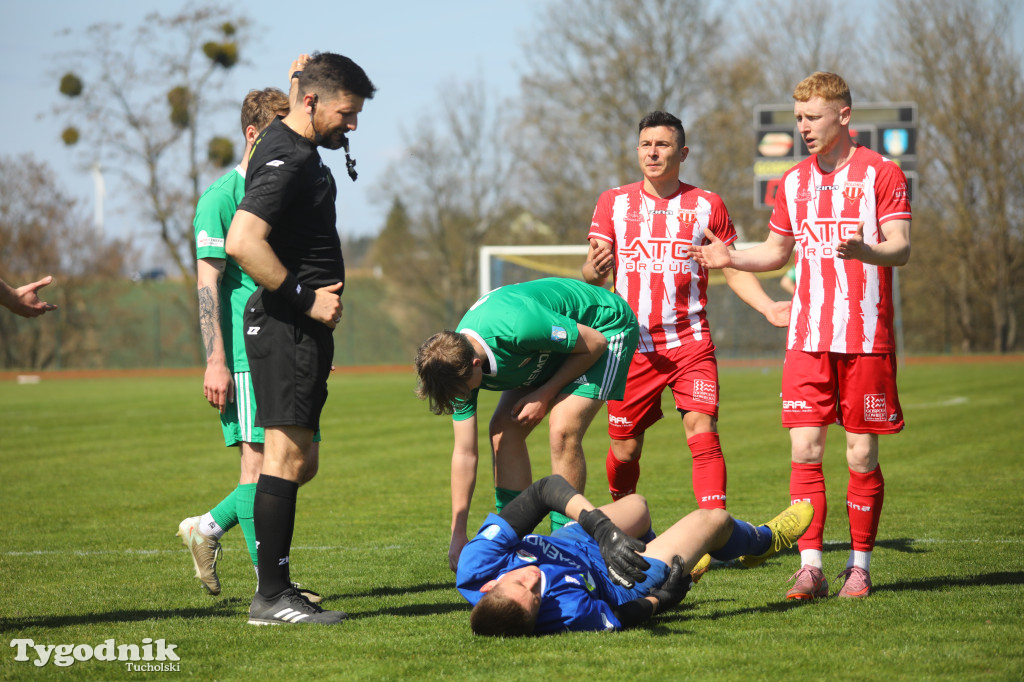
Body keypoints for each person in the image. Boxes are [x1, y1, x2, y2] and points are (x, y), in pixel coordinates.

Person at [689, 72, 911, 600]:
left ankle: (859, 566)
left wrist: (868, 252)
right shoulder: (792, 182)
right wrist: (730, 258)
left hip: (864, 336)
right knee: (805, 448)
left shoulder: (883, 173)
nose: (804, 127)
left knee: (861, 456)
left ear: (844, 115)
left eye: (813, 117)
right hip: (807, 335)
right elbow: (775, 252)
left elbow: (901, 246)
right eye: (798, 119)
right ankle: (811, 566)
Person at [225, 51, 376, 626]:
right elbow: (243, 240)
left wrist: (299, 75)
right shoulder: (287, 156)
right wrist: (305, 298)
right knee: (285, 457)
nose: (354, 125)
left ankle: (277, 586)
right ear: (312, 103)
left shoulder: (290, 139)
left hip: (300, 331)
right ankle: (271, 598)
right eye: (348, 112)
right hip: (289, 326)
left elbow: (301, 106)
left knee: (298, 459)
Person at [583, 111, 790, 511]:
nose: (653, 152)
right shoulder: (613, 202)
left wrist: (767, 307)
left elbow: (729, 265)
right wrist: (594, 270)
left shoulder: (708, 205)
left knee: (702, 429)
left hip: (690, 343)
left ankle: (713, 527)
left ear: (683, 152)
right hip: (631, 347)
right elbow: (590, 272)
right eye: (646, 144)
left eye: (662, 145)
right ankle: (626, 520)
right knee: (624, 448)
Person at [176, 57, 320, 603]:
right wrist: (215, 360)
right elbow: (207, 285)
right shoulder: (219, 199)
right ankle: (273, 588)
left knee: (300, 463)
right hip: (243, 351)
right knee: (261, 466)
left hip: (290, 346)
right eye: (277, 131)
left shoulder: (281, 186)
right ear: (253, 133)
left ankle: (208, 527)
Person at [415, 277, 639, 572]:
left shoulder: (519, 327)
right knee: (503, 433)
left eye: (462, 391)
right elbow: (465, 453)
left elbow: (593, 344)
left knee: (562, 428)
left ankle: (565, 544)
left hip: (605, 329)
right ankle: (514, 539)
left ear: (475, 365)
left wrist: (544, 394)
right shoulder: (451, 366)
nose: (461, 398)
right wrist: (458, 534)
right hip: (547, 349)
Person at [457, 474, 813, 635]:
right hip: (620, 579)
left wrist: (600, 529)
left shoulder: (476, 565)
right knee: (713, 521)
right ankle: (763, 541)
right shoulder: (563, 615)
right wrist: (663, 599)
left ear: (489, 587)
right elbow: (617, 616)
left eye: (520, 580)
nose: (534, 579)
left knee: (637, 507)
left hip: (579, 540)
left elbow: (544, 491)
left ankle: (686, 555)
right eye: (536, 597)